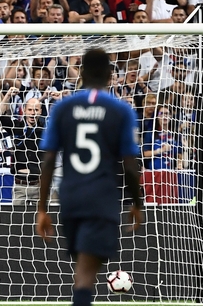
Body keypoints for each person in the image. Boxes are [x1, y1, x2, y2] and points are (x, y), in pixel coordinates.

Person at [36, 48, 144, 306]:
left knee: (82, 271)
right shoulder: (120, 110)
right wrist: (137, 203)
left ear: (81, 73)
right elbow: (130, 166)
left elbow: (49, 161)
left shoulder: (63, 108)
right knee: (85, 275)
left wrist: (42, 208)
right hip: (102, 199)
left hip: (70, 198)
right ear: (110, 75)